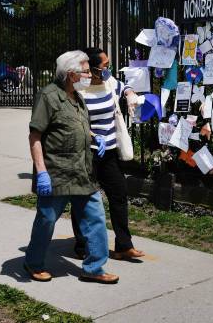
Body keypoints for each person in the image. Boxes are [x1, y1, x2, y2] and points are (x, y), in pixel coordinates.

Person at [24, 50, 118, 284]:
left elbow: (76, 125)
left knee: (95, 218)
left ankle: (94, 268)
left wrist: (94, 136)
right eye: (85, 71)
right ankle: (33, 262)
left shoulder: (78, 96)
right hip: (57, 173)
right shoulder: (48, 96)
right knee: (46, 220)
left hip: (82, 171)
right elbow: (35, 136)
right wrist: (41, 172)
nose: (89, 74)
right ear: (70, 74)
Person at [71, 47, 145, 261]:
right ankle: (82, 245)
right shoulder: (79, 90)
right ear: (92, 69)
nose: (108, 69)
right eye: (104, 65)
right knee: (83, 199)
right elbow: (74, 120)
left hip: (109, 152)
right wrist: (93, 135)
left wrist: (130, 93)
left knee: (119, 195)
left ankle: (124, 245)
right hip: (88, 153)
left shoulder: (110, 82)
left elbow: (124, 87)